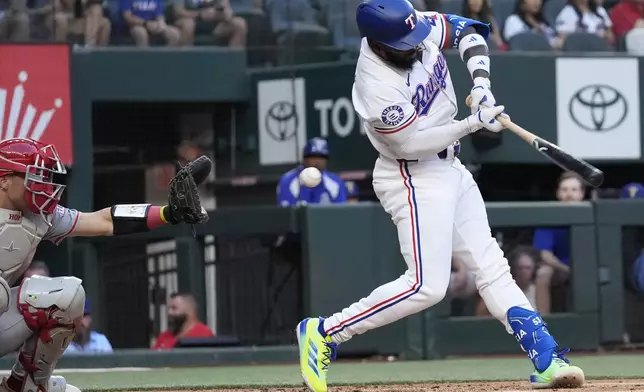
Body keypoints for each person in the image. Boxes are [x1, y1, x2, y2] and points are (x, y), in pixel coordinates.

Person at [294, 1, 585, 391]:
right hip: (412, 174)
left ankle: (547, 358)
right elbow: (412, 143)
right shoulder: (374, 85)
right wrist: (470, 124)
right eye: (403, 42)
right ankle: (325, 332)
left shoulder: (414, 28)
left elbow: (469, 32)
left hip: (451, 168)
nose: (415, 45)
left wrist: (481, 83)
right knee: (427, 287)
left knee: (491, 267)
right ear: (378, 44)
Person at [0, 138, 208, 392]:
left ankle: (26, 385)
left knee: (67, 295)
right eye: (34, 176)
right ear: (4, 180)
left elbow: (104, 221)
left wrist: (168, 213)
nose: (43, 185)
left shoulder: (40, 216)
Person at [532, 171, 585, 314]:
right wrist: (567, 269)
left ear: (581, 194)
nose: (569, 194)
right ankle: (544, 322)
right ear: (558, 194)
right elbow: (545, 254)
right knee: (543, 273)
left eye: (574, 190)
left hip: (587, 266)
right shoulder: (549, 216)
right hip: (559, 266)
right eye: (565, 190)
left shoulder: (590, 213)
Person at [277, 138, 347, 206]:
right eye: (313, 157)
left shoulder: (335, 183)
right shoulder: (288, 181)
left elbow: (341, 213)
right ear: (305, 159)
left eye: (322, 157)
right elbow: (286, 213)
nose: (318, 161)